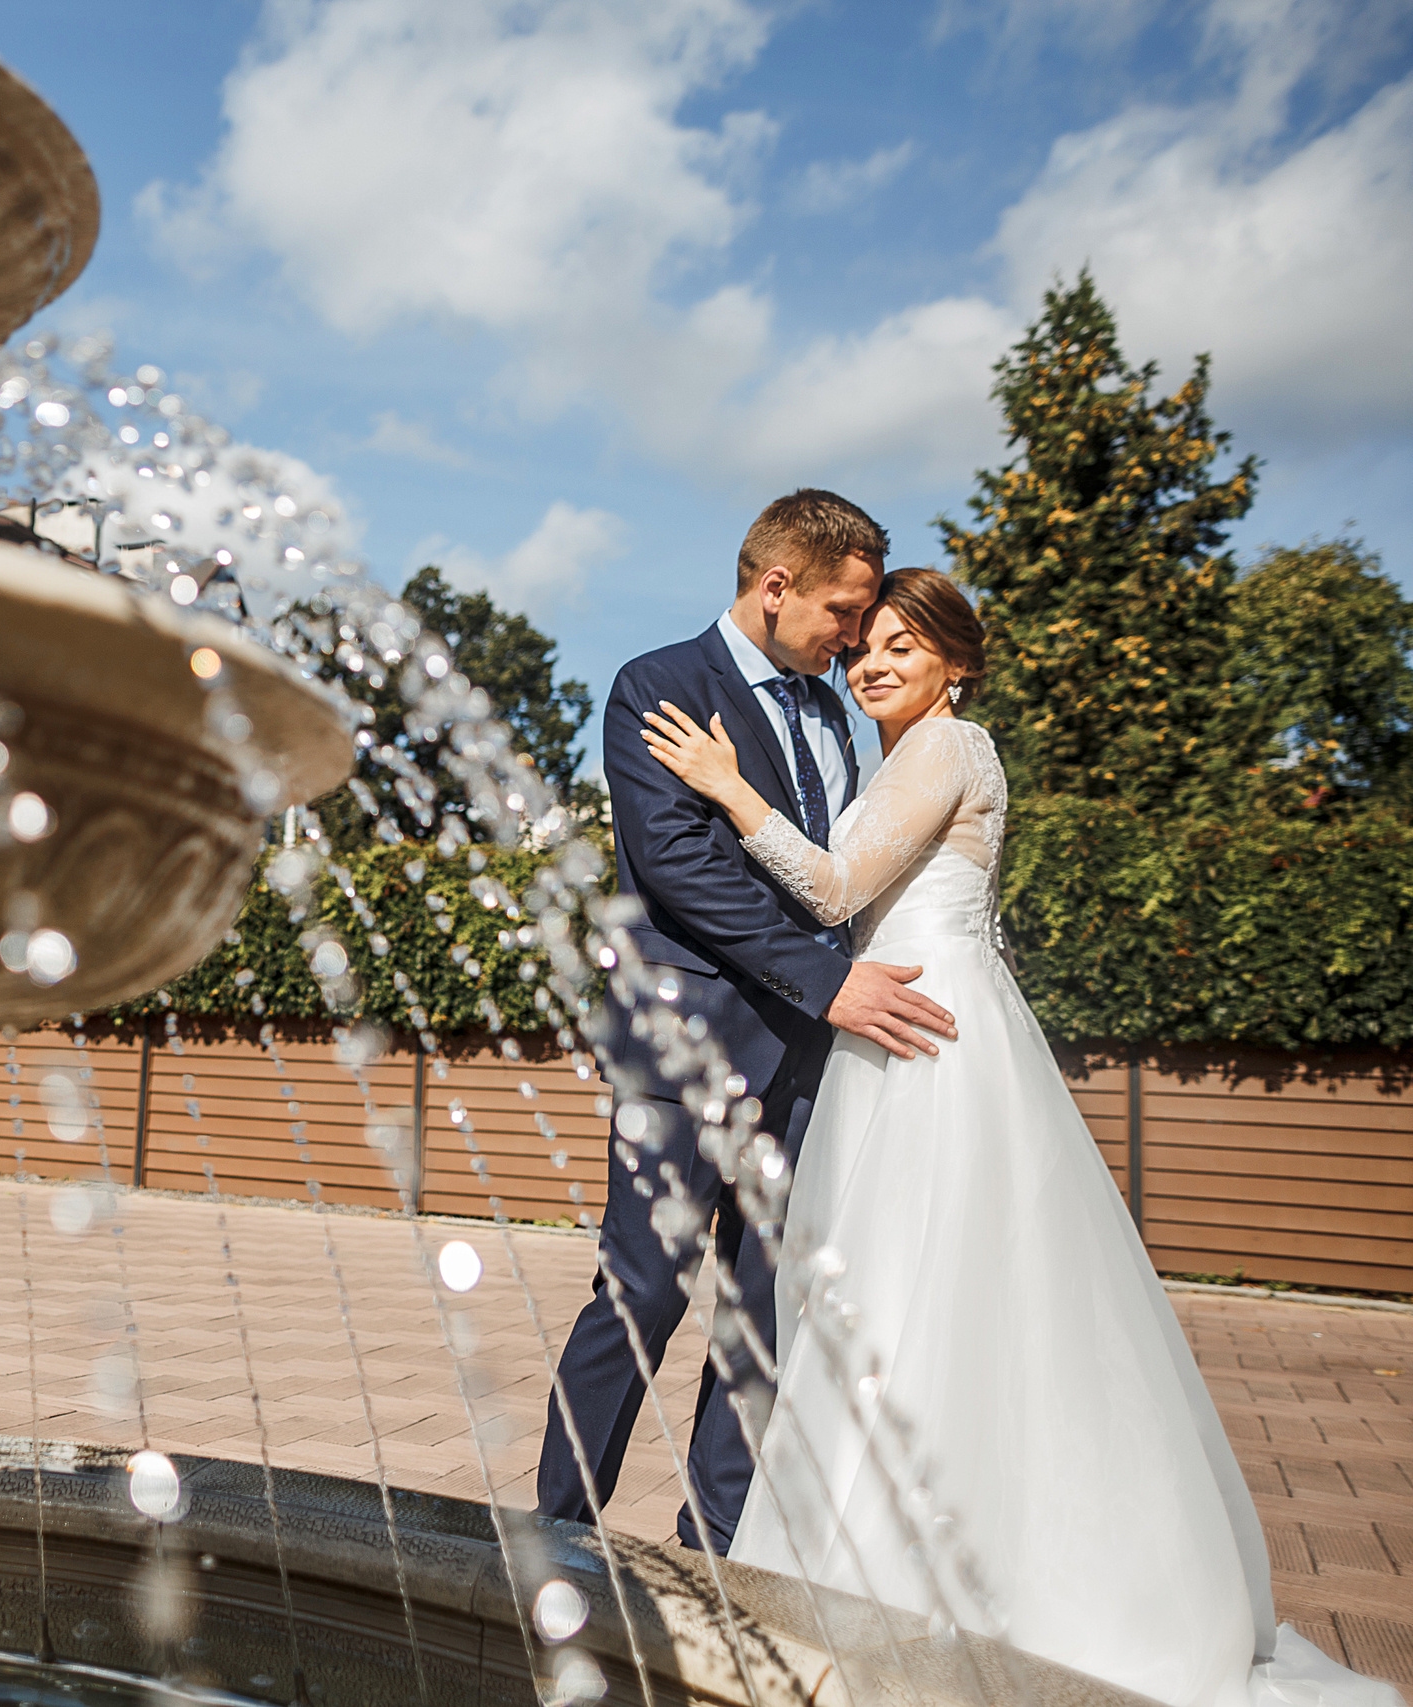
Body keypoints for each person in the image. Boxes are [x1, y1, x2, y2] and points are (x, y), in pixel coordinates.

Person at [642, 569, 1402, 1707]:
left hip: (924, 1037)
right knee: (917, 1293)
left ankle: (919, 1578)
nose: (873, 664)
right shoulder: (906, 758)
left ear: (958, 662)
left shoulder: (949, 748)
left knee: (915, 1289)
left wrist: (728, 787)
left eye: (903, 645)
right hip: (905, 1025)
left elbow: (842, 886)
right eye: (864, 650)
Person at [536, 490, 956, 1553]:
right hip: (687, 1045)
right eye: (842, 610)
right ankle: (555, 1532)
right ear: (776, 587)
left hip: (811, 1060)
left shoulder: (835, 711)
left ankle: (715, 1537)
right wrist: (825, 982)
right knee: (639, 1295)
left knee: (763, 1310)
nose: (855, 636)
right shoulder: (658, 686)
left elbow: (834, 875)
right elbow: (678, 871)